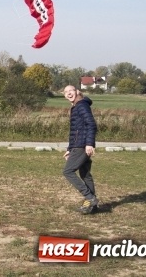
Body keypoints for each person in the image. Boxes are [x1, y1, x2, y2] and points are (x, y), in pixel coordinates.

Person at [62, 86, 99, 214]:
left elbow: (91, 125)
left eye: (71, 90)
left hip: (82, 145)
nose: (68, 93)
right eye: (66, 92)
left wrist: (89, 144)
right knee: (85, 174)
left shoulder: (82, 105)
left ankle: (90, 198)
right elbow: (76, 131)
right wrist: (69, 148)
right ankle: (92, 205)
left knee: (68, 171)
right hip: (78, 145)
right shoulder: (77, 106)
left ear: (77, 92)